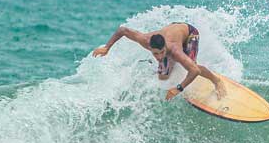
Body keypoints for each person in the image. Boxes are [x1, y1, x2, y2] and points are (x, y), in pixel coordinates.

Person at [91, 21, 226, 100]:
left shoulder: (174, 50)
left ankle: (216, 80)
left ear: (165, 47)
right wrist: (107, 48)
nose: (159, 56)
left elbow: (194, 71)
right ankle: (171, 67)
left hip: (189, 33)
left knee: (192, 65)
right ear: (150, 47)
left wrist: (178, 88)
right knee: (162, 76)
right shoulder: (144, 39)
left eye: (161, 52)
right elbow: (123, 30)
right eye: (155, 54)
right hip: (173, 30)